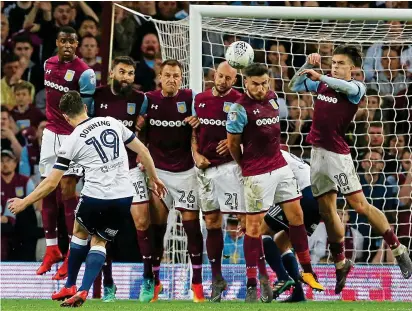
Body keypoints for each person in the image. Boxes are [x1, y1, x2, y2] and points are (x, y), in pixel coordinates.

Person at [8, 90, 167, 307]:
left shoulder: (71, 141)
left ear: (65, 116)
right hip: (123, 197)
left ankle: (71, 284)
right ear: (84, 108)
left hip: (95, 197)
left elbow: (52, 183)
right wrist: (155, 179)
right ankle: (81, 289)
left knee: (79, 232)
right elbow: (144, 152)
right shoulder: (111, 121)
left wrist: (24, 202)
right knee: (100, 242)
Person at [289, 44, 412, 293]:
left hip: (338, 155)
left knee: (359, 205)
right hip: (317, 154)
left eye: (340, 63)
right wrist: (307, 66)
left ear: (353, 68)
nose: (335, 66)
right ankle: (341, 262)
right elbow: (293, 85)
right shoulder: (322, 84)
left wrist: (321, 74)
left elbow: (344, 86)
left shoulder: (356, 88)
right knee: (327, 210)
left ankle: (398, 249)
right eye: (333, 62)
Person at [226, 63, 322, 303]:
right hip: (264, 175)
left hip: (285, 173)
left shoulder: (272, 99)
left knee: (281, 223)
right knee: (266, 235)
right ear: (245, 83)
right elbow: (232, 144)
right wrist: (244, 165)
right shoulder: (239, 110)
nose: (261, 88)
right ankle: (268, 285)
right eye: (256, 84)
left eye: (265, 83)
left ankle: (297, 273)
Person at [141, 59, 205, 303]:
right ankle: (155, 283)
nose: (171, 79)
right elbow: (139, 132)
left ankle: (197, 284)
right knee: (157, 230)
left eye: (176, 76)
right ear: (160, 76)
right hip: (159, 175)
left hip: (186, 173)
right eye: (167, 75)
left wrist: (198, 125)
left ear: (181, 78)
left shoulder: (191, 99)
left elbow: (206, 127)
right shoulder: (149, 100)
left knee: (191, 228)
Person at [38, 26, 96, 280]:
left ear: (77, 43)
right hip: (50, 134)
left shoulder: (85, 73)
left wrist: (81, 136)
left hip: (72, 135)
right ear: (58, 42)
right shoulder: (47, 63)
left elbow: (87, 109)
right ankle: (52, 248)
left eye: (73, 42)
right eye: (64, 41)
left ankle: (73, 252)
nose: (68, 46)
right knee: (45, 190)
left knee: (67, 190)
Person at [93, 55, 151, 302]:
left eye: (130, 73)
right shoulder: (97, 96)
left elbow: (146, 130)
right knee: (103, 230)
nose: (126, 77)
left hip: (130, 169)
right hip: (103, 172)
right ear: (112, 72)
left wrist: (143, 145)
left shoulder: (140, 100)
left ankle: (149, 279)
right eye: (122, 72)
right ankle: (108, 284)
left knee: (142, 223)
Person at [192, 61, 243, 302]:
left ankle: (256, 279)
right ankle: (216, 279)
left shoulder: (240, 101)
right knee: (212, 222)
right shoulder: (200, 99)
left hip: (231, 169)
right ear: (214, 75)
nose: (222, 81)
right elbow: (193, 133)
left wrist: (237, 144)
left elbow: (251, 135)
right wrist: (195, 153)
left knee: (248, 222)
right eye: (219, 77)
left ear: (235, 80)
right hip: (206, 168)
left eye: (228, 78)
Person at [260, 150, 323, 302]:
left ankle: (282, 277)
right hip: (318, 199)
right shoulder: (278, 152)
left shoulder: (261, 154)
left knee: (258, 234)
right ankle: (298, 294)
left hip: (302, 196)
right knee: (282, 243)